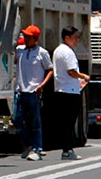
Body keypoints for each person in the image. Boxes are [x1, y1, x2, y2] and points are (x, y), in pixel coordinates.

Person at [15, 24, 52, 160]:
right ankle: (28, 145)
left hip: (33, 91)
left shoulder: (42, 53)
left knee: (34, 121)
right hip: (20, 90)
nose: (25, 38)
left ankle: (37, 148)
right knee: (18, 118)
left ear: (35, 39)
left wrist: (41, 85)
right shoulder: (20, 50)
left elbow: (50, 69)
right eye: (24, 36)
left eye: (28, 37)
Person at [52, 26, 89, 160]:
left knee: (65, 122)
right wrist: (83, 76)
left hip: (62, 90)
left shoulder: (58, 50)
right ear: (67, 38)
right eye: (75, 38)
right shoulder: (67, 52)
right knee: (69, 122)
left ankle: (67, 149)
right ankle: (67, 150)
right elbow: (71, 71)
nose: (77, 41)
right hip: (69, 92)